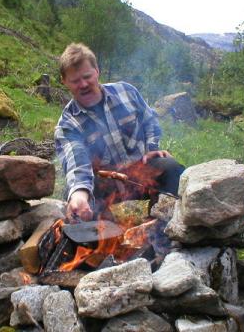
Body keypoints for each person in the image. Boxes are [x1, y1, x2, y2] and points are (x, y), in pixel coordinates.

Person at [54, 43, 184, 223]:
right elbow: (76, 162)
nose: (83, 84)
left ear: (97, 71)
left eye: (87, 76)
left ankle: (175, 225)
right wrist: (79, 194)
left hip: (141, 172)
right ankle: (110, 233)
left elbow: (149, 119)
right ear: (64, 81)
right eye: (75, 81)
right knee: (82, 208)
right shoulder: (68, 125)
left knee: (171, 168)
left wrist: (152, 147)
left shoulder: (126, 92)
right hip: (106, 188)